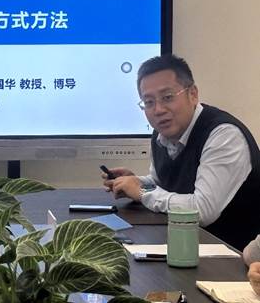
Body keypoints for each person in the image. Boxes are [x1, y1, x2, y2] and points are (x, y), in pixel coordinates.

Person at [102, 54, 260, 251]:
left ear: (193, 94)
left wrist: (142, 192)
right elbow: (163, 184)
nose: (158, 110)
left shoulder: (224, 135)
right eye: (148, 102)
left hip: (235, 258)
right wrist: (135, 181)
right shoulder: (162, 133)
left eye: (167, 97)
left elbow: (202, 210)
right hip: (186, 247)